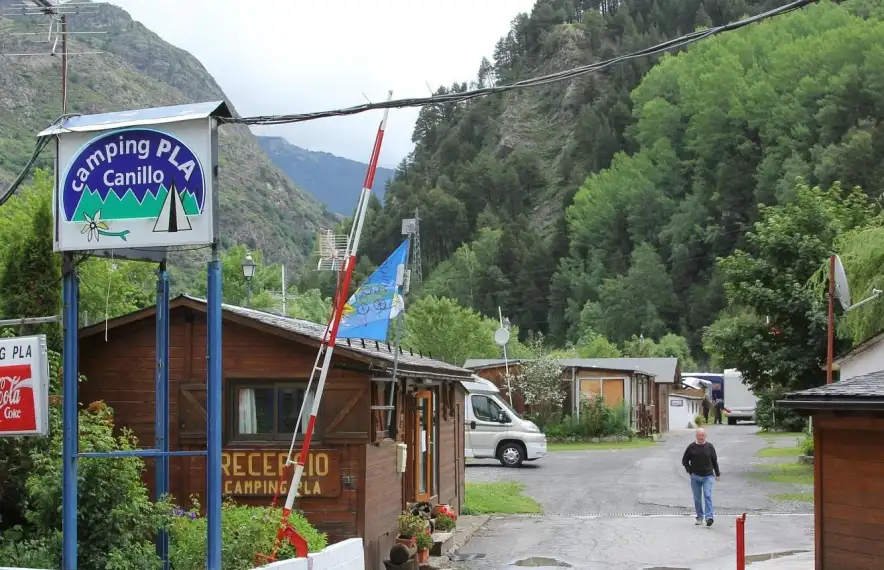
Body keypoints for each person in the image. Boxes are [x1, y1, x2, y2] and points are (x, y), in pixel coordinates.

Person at [681, 427, 721, 526]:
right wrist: (690, 471)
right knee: (697, 498)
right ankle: (699, 517)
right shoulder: (691, 447)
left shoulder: (710, 447)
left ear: (705, 436)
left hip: (708, 476)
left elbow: (714, 461)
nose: (701, 438)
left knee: (707, 495)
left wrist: (717, 473)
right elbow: (684, 461)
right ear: (696, 436)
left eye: (702, 436)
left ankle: (709, 517)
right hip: (695, 476)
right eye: (699, 436)